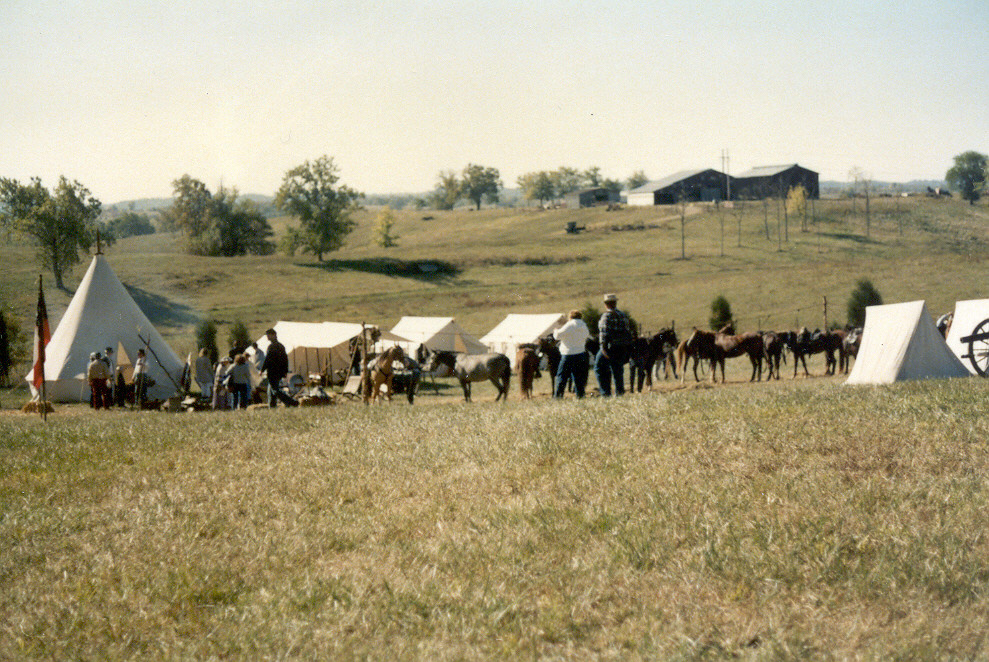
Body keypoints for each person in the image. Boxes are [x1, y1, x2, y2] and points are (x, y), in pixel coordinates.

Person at [595, 293, 633, 397]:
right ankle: (619, 393)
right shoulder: (622, 315)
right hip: (621, 347)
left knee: (599, 368)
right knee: (618, 371)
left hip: (609, 347)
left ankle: (605, 393)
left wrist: (603, 349)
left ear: (606, 304)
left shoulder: (606, 316)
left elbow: (603, 334)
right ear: (615, 303)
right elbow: (628, 331)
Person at [553, 310, 591, 398]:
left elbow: (557, 336)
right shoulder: (583, 325)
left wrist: (556, 330)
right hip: (580, 353)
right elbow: (586, 335)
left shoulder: (570, 324)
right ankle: (580, 396)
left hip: (568, 354)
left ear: (570, 317)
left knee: (562, 377)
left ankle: (558, 396)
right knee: (578, 377)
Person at [260, 328, 297, 408]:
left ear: (274, 335)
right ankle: (272, 407)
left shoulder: (272, 346)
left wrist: (262, 370)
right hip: (279, 372)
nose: (267, 337)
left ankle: (292, 402)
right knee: (270, 391)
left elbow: (268, 359)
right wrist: (285, 371)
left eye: (268, 335)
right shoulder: (281, 346)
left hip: (273, 372)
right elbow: (285, 359)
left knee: (275, 390)